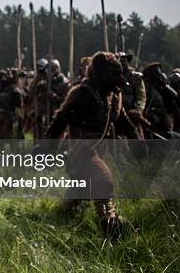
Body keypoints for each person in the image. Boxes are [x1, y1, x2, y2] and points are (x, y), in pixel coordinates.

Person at [45, 52, 139, 237]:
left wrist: (136, 138)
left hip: (98, 150)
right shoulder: (82, 93)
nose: (118, 79)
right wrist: (47, 147)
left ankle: (62, 215)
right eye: (113, 74)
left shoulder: (113, 95)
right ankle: (111, 226)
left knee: (80, 191)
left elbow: (122, 120)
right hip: (80, 151)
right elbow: (60, 120)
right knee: (103, 180)